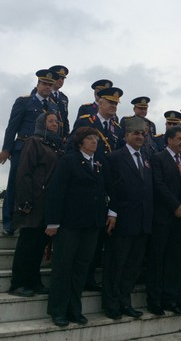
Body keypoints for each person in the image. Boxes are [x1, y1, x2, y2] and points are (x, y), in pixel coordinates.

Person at [45, 127, 109, 328]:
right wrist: (53, 222)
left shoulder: (98, 163)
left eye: (96, 139)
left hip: (91, 225)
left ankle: (74, 309)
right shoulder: (69, 160)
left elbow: (102, 191)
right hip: (70, 225)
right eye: (89, 138)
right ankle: (58, 310)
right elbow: (56, 192)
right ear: (80, 142)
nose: (94, 142)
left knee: (81, 268)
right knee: (63, 267)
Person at [69, 86, 123, 291]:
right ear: (99, 103)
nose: (113, 106)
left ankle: (89, 276)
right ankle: (78, 278)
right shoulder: (86, 122)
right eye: (110, 102)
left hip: (107, 181)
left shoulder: (118, 128)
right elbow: (72, 148)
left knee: (97, 235)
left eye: (116, 103)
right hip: (86, 179)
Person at [8, 111, 65, 298]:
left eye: (56, 121)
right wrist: (25, 201)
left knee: (39, 245)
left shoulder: (55, 146)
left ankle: (34, 280)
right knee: (27, 244)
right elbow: (24, 172)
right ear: (42, 124)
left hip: (47, 204)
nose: (55, 124)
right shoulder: (34, 142)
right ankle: (18, 283)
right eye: (50, 121)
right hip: (33, 202)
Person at [102, 117, 153, 320]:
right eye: (135, 133)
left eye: (142, 133)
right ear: (126, 137)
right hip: (122, 220)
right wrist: (112, 212)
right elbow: (110, 187)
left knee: (132, 267)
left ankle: (125, 302)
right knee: (117, 264)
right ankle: (111, 304)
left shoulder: (147, 159)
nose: (140, 136)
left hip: (142, 222)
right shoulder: (115, 158)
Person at [0, 68, 60, 235]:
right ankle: (9, 221)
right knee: (15, 183)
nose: (48, 87)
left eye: (50, 85)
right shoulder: (24, 101)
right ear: (38, 84)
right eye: (45, 84)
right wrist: (6, 149)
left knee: (38, 187)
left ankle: (30, 220)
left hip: (44, 153)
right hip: (23, 148)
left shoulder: (54, 106)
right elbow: (12, 126)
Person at [146, 126, 181, 316]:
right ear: (169, 140)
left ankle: (172, 299)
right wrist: (175, 205)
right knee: (158, 261)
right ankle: (155, 301)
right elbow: (159, 185)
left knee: (176, 262)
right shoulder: (158, 158)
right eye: (180, 139)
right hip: (164, 218)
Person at [49, 65, 70, 140]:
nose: (61, 80)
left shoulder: (64, 98)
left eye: (63, 78)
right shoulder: (42, 93)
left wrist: (66, 135)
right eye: (58, 77)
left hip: (59, 137)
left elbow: (65, 119)